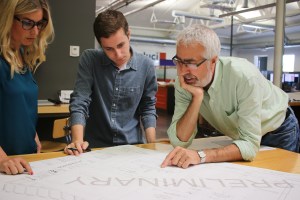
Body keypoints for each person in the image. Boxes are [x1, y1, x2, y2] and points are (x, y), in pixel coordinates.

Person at [161, 24, 299, 169]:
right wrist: (197, 98)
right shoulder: (184, 82)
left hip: (277, 131)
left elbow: (249, 145)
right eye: (179, 61)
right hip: (241, 138)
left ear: (213, 61)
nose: (182, 71)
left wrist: (200, 155)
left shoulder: (243, 76)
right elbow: (179, 141)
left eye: (191, 63)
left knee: (277, 184)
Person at [64, 10, 157, 155]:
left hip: (132, 147)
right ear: (100, 45)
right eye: (109, 49)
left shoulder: (146, 65)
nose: (118, 55)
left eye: (121, 45)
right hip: (95, 147)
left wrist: (152, 145)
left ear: (129, 34)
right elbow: (80, 101)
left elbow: (148, 108)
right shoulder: (90, 59)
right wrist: (77, 141)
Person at [0, 0, 54, 175]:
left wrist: (33, 133)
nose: (35, 31)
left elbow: (18, 105)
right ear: (8, 19)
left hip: (24, 159)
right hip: (6, 164)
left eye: (39, 24)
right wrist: (2, 159)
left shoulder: (22, 55)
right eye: (27, 23)